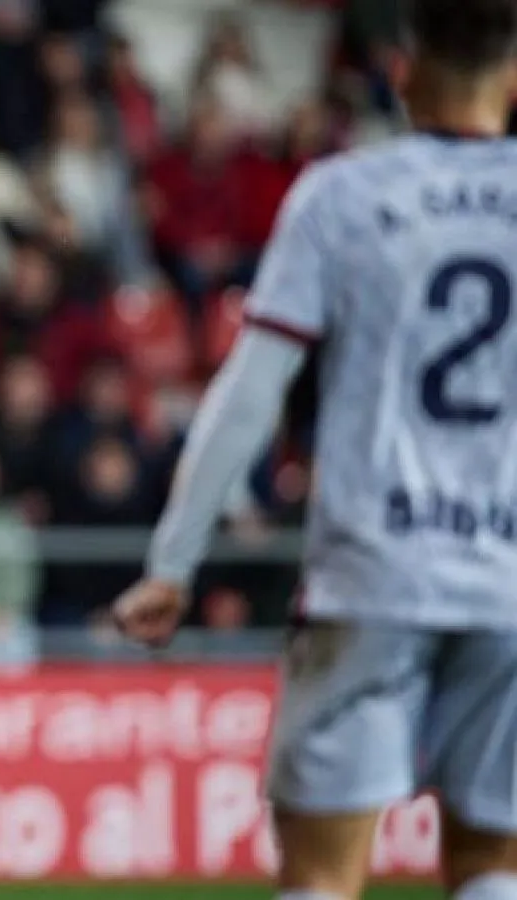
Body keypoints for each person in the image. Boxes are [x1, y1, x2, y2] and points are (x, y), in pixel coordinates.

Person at [114, 3, 517, 898]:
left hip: (373, 570)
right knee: (494, 865)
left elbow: (250, 391)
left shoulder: (344, 195)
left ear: (403, 73)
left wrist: (173, 562)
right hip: (509, 581)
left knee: (323, 873)